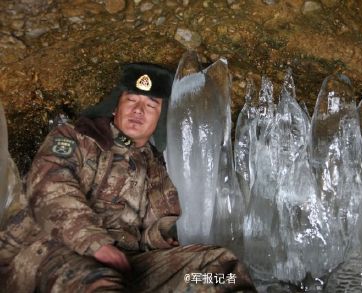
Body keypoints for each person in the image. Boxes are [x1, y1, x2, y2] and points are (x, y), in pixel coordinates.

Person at [0, 63, 256, 292]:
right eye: (131, 100)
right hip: (49, 255)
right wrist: (96, 244)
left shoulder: (155, 166)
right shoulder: (73, 138)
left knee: (221, 270)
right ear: (115, 106)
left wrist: (163, 235)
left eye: (150, 105)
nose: (138, 110)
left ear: (160, 117)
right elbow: (49, 190)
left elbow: (156, 227)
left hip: (126, 265)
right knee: (99, 280)